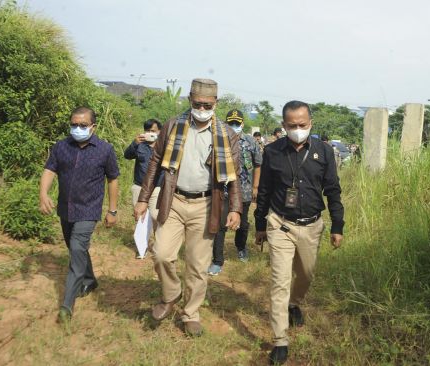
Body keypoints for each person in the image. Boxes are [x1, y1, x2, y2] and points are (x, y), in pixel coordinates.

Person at [133, 78, 242, 337]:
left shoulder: (227, 134)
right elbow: (155, 162)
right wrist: (142, 198)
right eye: (197, 104)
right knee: (161, 254)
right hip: (174, 201)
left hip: (206, 205)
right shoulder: (173, 125)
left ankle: (191, 313)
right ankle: (172, 293)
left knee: (196, 265)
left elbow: (235, 176)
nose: (202, 109)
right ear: (190, 99)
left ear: (216, 102)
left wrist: (236, 208)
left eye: (207, 104)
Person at [254, 100, 344, 364]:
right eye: (292, 125)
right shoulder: (272, 152)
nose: (297, 129)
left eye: (302, 125)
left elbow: (333, 191)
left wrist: (337, 225)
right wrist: (260, 224)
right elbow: (265, 192)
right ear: (283, 125)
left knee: (306, 274)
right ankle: (280, 340)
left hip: (312, 225)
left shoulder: (324, 152)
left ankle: (295, 303)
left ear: (310, 123)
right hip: (280, 223)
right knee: (279, 281)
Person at [38, 106, 120, 326]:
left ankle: (67, 304)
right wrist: (43, 194)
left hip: (89, 210)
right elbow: (49, 170)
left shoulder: (104, 150)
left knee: (76, 250)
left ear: (93, 126)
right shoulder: (61, 147)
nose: (78, 128)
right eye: (74, 124)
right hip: (65, 209)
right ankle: (91, 280)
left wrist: (112, 210)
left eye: (83, 125)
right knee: (76, 248)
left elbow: (113, 179)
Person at [208, 109, 262, 275]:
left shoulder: (250, 142)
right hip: (222, 190)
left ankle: (241, 247)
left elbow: (258, 164)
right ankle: (217, 260)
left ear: (242, 124)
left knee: (243, 224)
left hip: (244, 191)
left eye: (236, 124)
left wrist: (255, 187)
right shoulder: (218, 140)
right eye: (230, 123)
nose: (233, 126)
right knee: (220, 225)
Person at [124, 118, 163, 258]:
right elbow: (127, 155)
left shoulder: (163, 146)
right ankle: (142, 248)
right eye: (147, 130)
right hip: (139, 187)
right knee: (140, 218)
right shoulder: (140, 145)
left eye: (153, 131)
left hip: (157, 187)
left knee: (156, 216)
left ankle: (160, 247)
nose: (149, 133)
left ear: (160, 131)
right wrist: (134, 143)